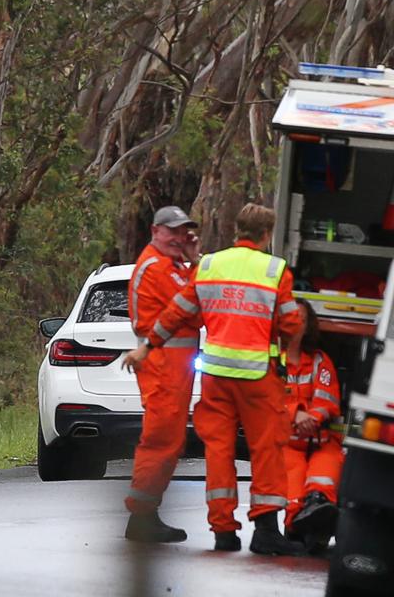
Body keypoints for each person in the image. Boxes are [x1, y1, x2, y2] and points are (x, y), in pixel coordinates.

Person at [123, 203, 305, 555]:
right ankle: (265, 528)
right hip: (253, 375)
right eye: (173, 231)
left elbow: (181, 310)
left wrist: (147, 345)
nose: (180, 238)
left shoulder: (207, 266)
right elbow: (289, 324)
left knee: (218, 451)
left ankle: (223, 531)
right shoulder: (273, 268)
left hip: (214, 375)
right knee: (265, 448)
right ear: (267, 235)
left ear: (237, 229)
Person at [121, 206, 201, 543]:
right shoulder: (157, 267)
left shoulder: (176, 267)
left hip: (174, 365)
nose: (178, 238)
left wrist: (193, 262)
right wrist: (197, 266)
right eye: (172, 232)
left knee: (170, 441)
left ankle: (147, 513)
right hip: (161, 364)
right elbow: (190, 304)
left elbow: (195, 312)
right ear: (155, 231)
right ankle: (141, 517)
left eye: (183, 232)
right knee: (160, 441)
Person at [282, 299, 343, 553]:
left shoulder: (320, 361)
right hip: (287, 442)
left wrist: (312, 419)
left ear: (308, 327)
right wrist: (295, 414)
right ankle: (300, 523)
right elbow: (266, 399)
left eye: (302, 319)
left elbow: (327, 398)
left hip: (321, 439)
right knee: (292, 490)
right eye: (292, 318)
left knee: (325, 472)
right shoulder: (271, 361)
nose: (296, 324)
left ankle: (318, 512)